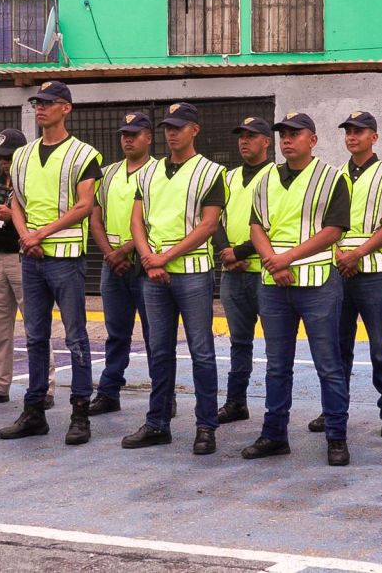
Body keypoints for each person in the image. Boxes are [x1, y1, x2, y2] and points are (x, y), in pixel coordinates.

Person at [239, 112, 353, 467]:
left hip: (317, 283)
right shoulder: (266, 178)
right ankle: (274, 435)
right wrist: (273, 260)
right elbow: (256, 225)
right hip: (275, 284)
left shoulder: (332, 178)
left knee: (328, 364)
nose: (287, 140)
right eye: (283, 134)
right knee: (276, 365)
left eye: (295, 134)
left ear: (313, 140)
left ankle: (336, 437)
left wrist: (286, 258)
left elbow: (334, 229)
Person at [0, 81, 102, 445]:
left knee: (75, 337)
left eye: (48, 103)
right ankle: (34, 410)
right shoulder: (22, 155)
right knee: (35, 336)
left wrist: (37, 236)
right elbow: (16, 203)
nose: (40, 109)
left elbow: (84, 205)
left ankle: (80, 412)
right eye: (37, 103)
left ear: (66, 109)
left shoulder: (83, 154)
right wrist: (26, 237)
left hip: (65, 258)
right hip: (31, 257)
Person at [122, 102, 227, 455]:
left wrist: (163, 257)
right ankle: (157, 423)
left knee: (201, 352)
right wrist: (149, 259)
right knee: (159, 351)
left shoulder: (210, 172)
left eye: (178, 127)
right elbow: (136, 220)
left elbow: (209, 226)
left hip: (192, 273)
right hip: (155, 274)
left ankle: (206, 427)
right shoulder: (148, 173)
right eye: (168, 126)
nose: (171, 132)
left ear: (194, 130)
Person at [305, 111, 382, 438]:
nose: (352, 136)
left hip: (374, 273)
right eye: (348, 131)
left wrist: (358, 253)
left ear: (374, 137)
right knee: (336, 346)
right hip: (337, 271)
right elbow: (323, 224)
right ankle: (334, 410)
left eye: (359, 131)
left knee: (381, 346)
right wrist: (338, 256)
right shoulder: (332, 177)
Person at [0, 128, 57, 410]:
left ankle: (45, 387)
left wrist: (12, 215)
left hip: (23, 257)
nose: (4, 162)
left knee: (36, 325)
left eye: (9, 157)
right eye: (0, 157)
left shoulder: (35, 179)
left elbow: (47, 215)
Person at [87, 112, 154, 416]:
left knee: (156, 335)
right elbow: (95, 217)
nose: (128, 139)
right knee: (116, 333)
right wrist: (110, 254)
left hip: (145, 264)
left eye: (135, 134)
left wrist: (126, 250)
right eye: (124, 134)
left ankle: (164, 395)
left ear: (148, 137)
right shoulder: (108, 173)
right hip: (112, 265)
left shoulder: (159, 172)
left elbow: (156, 222)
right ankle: (109, 391)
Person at [214, 116, 275, 424]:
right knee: (239, 342)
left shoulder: (277, 176)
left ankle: (277, 410)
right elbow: (214, 218)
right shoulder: (229, 176)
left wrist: (239, 251)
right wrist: (227, 253)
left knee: (277, 344)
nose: (244, 141)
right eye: (241, 136)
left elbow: (274, 225)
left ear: (267, 141)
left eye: (252, 136)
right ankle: (236, 401)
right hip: (233, 272)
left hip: (264, 272)